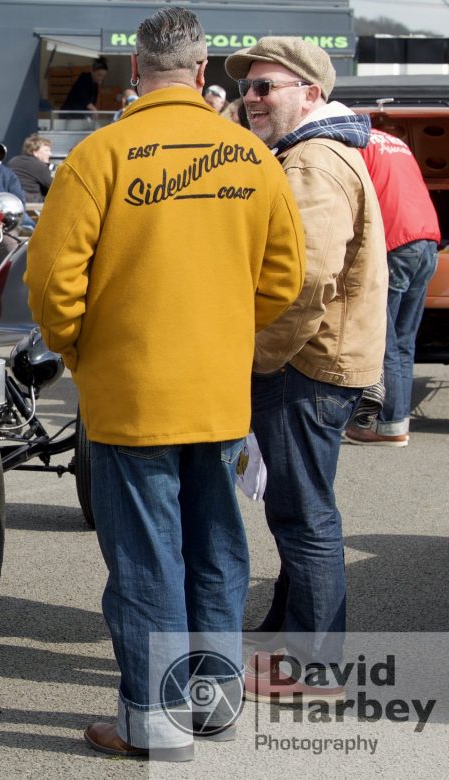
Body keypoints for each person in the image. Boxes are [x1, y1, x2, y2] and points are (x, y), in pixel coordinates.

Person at [25, 7, 305, 760]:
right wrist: (220, 330)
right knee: (217, 551)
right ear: (204, 70)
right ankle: (211, 709)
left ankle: (154, 723)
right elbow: (283, 275)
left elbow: (52, 282)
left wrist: (82, 347)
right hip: (217, 392)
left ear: (134, 73)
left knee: (148, 562)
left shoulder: (102, 155)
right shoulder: (251, 159)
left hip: (129, 397)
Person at [224, 37, 387, 699]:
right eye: (251, 88)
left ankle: (313, 666)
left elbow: (306, 279)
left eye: (268, 87)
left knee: (303, 515)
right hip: (319, 359)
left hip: (305, 364)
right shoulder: (314, 153)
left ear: (311, 93)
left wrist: (259, 356)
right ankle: (287, 638)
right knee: (301, 508)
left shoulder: (313, 161)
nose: (253, 99)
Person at [343, 127, 441, 446]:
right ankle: (395, 418)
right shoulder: (395, 142)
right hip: (427, 240)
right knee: (403, 341)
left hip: (395, 242)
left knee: (384, 338)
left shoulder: (352, 145)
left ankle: (389, 424)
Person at [0, 135, 34, 230]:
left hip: (0, 220)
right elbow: (20, 202)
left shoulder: (6, 173)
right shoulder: (6, 173)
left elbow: (19, 202)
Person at [7, 133, 53, 203]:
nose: (50, 154)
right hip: (34, 203)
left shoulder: (13, 161)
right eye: (46, 150)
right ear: (35, 152)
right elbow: (54, 186)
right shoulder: (39, 166)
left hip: (13, 200)